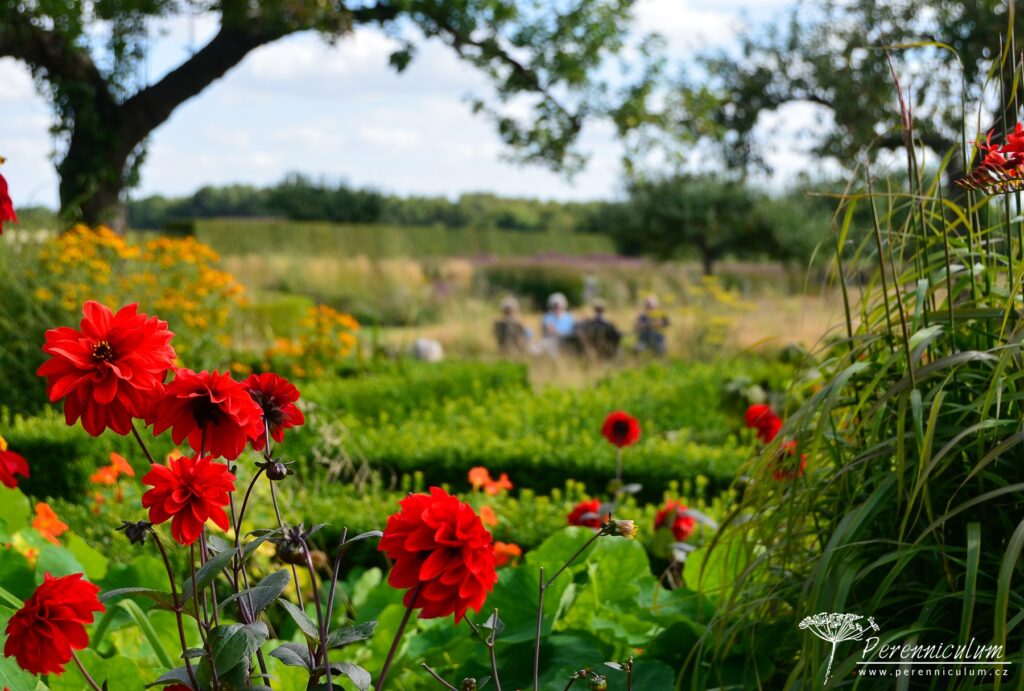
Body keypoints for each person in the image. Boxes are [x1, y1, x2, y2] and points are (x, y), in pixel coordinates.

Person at [538, 292, 577, 357]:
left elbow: (574, 329)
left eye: (559, 305)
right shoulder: (547, 317)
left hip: (568, 340)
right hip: (552, 340)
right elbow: (550, 330)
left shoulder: (570, 317)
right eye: (555, 305)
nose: (557, 307)